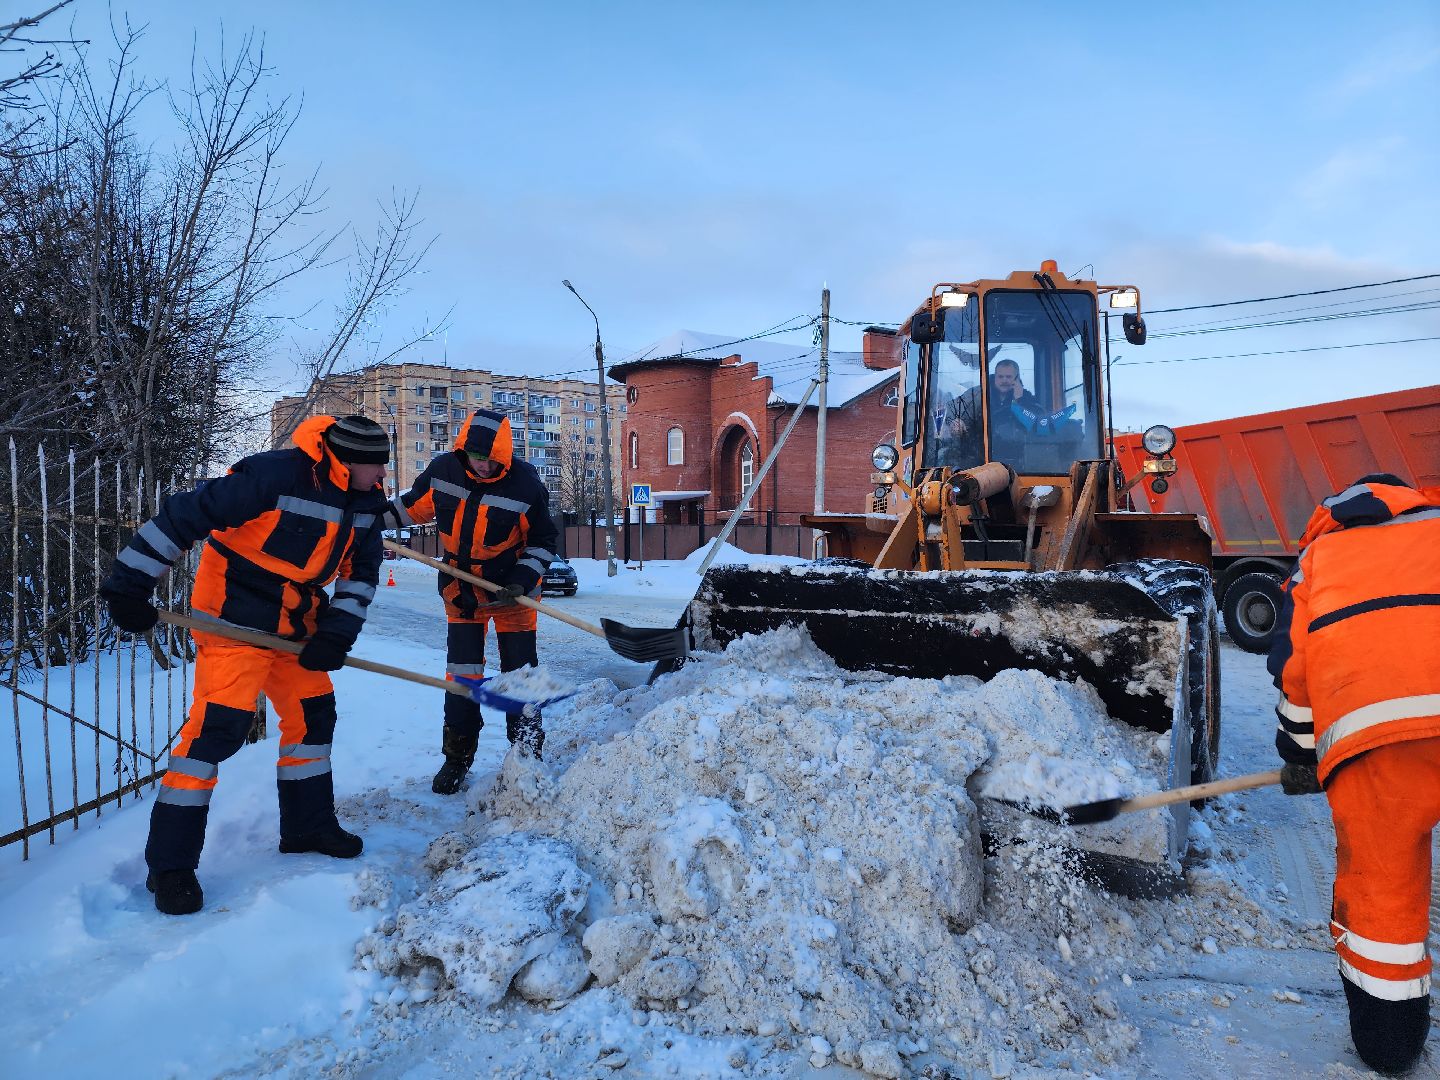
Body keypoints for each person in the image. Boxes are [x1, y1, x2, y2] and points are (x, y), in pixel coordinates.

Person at [99, 415, 391, 916]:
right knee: (218, 730)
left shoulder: (365, 502)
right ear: (348, 461)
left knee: (314, 716)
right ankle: (170, 866)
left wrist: (338, 632)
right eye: (375, 466)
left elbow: (360, 574)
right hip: (233, 617)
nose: (382, 476)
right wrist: (129, 582)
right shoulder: (275, 474)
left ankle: (307, 825)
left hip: (297, 627)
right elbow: (184, 516)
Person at [1269, 473, 1440, 1075]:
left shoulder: (1322, 558)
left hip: (1379, 740)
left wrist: (1299, 754)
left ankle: (1389, 1044)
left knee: (1384, 890)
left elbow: (1297, 670)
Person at [384, 408, 558, 793]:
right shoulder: (444, 469)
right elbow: (412, 506)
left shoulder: (525, 484)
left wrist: (521, 580)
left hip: (513, 595)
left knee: (520, 677)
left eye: (490, 459)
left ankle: (527, 753)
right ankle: (457, 758)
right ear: (464, 450)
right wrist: (368, 519)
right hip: (461, 591)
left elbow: (545, 542)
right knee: (463, 677)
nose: (482, 466)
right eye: (476, 458)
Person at [937, 358, 1041, 462]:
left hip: (1015, 457)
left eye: (1008, 377)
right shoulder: (978, 394)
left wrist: (1020, 401)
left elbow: (1037, 423)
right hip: (978, 455)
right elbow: (950, 409)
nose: (1004, 380)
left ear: (1016, 378)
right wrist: (954, 422)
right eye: (1000, 376)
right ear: (995, 376)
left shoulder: (1027, 399)